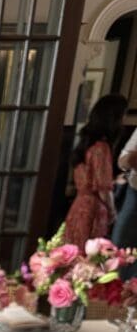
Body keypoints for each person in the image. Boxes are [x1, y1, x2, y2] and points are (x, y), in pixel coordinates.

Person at [64, 93, 127, 249]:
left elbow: (91, 180)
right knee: (87, 258)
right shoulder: (101, 147)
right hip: (93, 210)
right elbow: (103, 188)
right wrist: (113, 212)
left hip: (78, 206)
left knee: (72, 254)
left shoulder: (87, 144)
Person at [112, 125, 137, 279]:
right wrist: (132, 158)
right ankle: (119, 291)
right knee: (120, 243)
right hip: (134, 195)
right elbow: (122, 161)